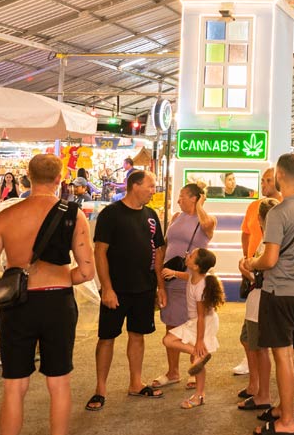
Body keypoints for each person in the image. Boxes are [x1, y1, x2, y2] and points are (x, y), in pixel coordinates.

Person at [0, 154, 94, 435]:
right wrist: (59, 277)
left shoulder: (6, 216)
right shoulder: (74, 215)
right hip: (59, 303)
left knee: (15, 386)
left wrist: (11, 281)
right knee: (59, 383)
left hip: (19, 307)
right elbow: (86, 272)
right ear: (60, 179)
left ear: (27, 177)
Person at [249, 152, 294, 435]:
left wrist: (250, 263)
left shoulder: (278, 213)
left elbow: (269, 260)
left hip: (278, 291)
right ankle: (283, 406)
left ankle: (287, 421)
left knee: (281, 356)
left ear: (280, 176)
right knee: (287, 355)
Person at [89, 170, 166, 410]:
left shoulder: (152, 216)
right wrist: (107, 289)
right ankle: (100, 388)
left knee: (137, 335)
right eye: (150, 186)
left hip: (144, 288)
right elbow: (100, 252)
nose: (153, 191)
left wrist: (160, 287)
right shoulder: (111, 214)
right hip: (116, 289)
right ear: (135, 186)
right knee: (107, 338)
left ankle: (136, 382)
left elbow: (159, 252)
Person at [151, 182, 215, 391]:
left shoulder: (207, 220)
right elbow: (167, 245)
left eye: (182, 196)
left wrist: (201, 202)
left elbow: (206, 225)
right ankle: (173, 371)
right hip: (170, 278)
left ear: (194, 198)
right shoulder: (177, 217)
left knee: (193, 323)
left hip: (190, 279)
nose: (178, 199)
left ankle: (195, 368)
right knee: (171, 324)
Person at [235, 169, 279, 397]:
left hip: (262, 297)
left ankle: (262, 393)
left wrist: (249, 268)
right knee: (252, 342)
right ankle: (258, 388)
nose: (264, 184)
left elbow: (268, 268)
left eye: (268, 180)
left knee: (260, 346)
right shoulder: (267, 236)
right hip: (261, 295)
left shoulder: (270, 240)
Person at [162, 248, 223, 409]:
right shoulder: (194, 276)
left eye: (191, 256)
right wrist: (174, 273)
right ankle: (198, 356)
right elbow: (187, 276)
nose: (187, 255)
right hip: (196, 321)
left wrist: (199, 341)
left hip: (203, 322)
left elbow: (201, 316)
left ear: (196, 266)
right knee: (169, 340)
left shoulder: (201, 286)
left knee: (192, 354)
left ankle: (199, 395)